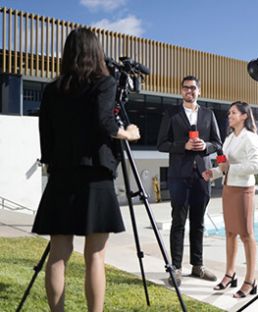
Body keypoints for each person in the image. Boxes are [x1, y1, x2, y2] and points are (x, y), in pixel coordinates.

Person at [31, 28, 140, 312]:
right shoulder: (104, 83)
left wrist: (53, 163)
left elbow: (46, 135)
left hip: (62, 175)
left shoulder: (53, 89)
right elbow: (105, 122)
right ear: (96, 51)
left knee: (59, 253)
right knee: (95, 256)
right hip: (95, 175)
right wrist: (128, 133)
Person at [157, 75, 222, 286]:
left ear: (199, 91)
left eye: (193, 88)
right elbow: (161, 144)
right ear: (181, 91)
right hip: (178, 175)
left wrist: (206, 147)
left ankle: (197, 266)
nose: (189, 91)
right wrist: (182, 146)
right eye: (186, 88)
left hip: (202, 176)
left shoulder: (208, 114)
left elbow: (217, 143)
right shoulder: (171, 113)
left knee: (199, 223)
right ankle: (175, 268)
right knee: (178, 222)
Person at [202, 101, 258, 298]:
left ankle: (250, 280)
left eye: (233, 113)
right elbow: (224, 165)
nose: (229, 116)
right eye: (229, 113)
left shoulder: (251, 138)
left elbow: (256, 167)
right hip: (228, 188)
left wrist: (230, 169)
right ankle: (230, 274)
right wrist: (213, 172)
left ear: (244, 116)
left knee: (246, 234)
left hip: (244, 189)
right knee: (230, 233)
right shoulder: (228, 139)